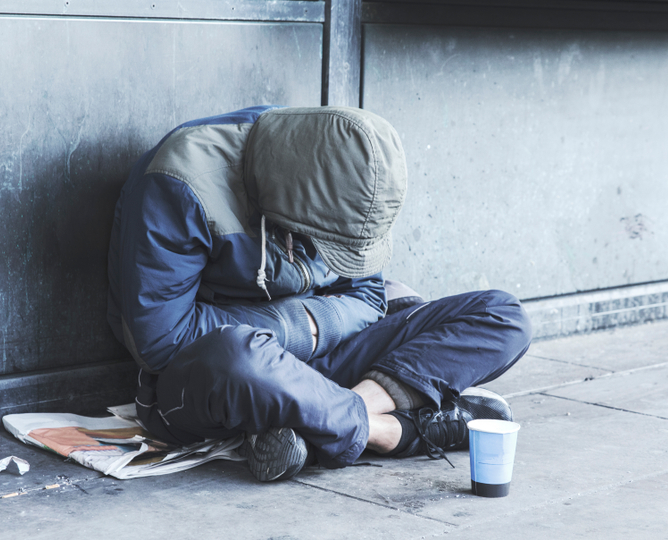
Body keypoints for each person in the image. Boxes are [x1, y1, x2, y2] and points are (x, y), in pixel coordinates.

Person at [106, 105, 532, 482]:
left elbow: (368, 296)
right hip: (221, 378)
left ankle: (319, 419)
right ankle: (397, 432)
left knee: (503, 315)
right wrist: (301, 326)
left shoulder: (345, 171)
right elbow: (163, 342)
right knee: (235, 357)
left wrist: (319, 340)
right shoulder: (178, 184)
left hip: (327, 356)